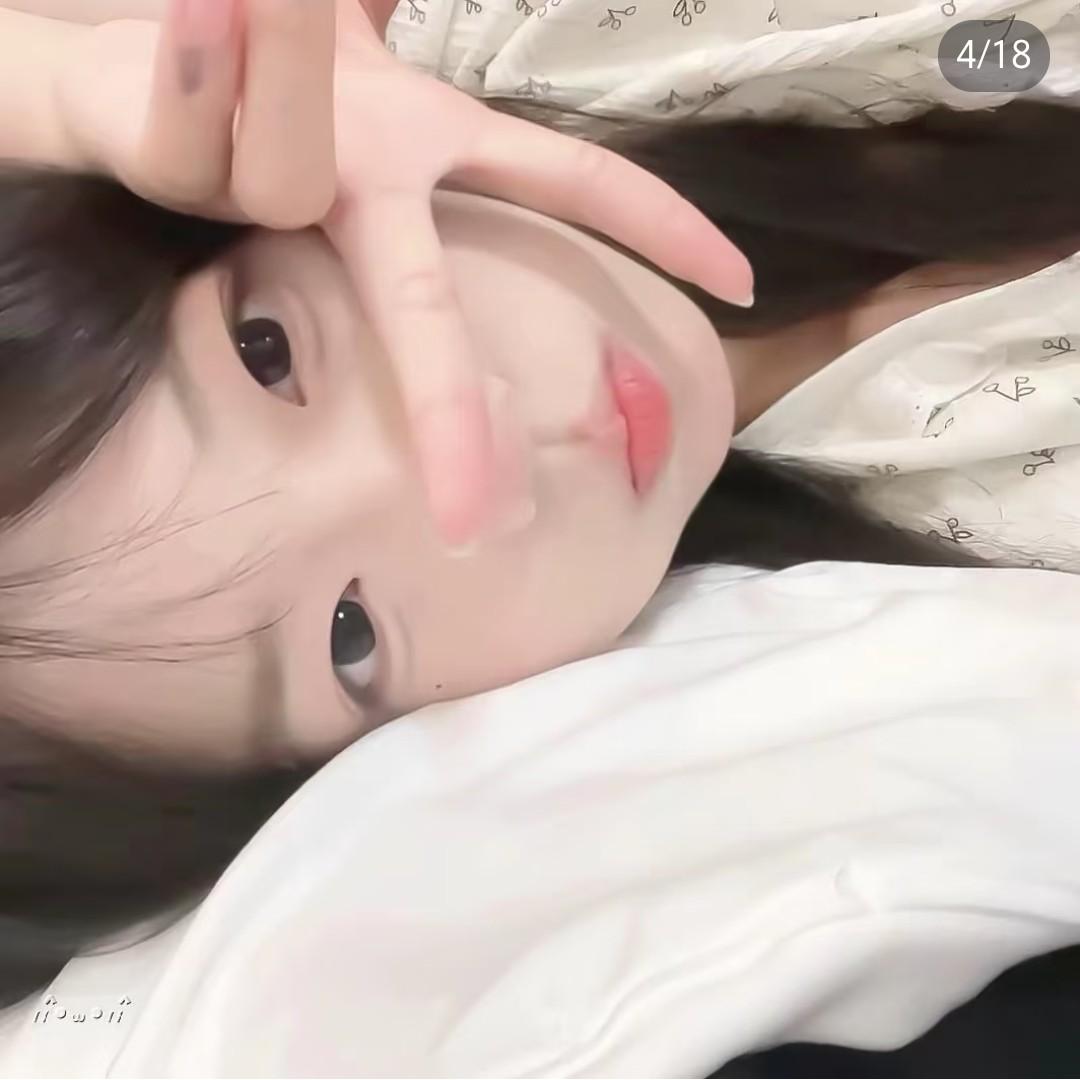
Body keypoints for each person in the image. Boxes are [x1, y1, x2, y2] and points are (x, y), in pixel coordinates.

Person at [2, 2, 1079, 1021]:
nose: (490, 451)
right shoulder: (983, 594)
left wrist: (61, 83)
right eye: (351, 633)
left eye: (265, 352)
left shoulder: (550, 32)